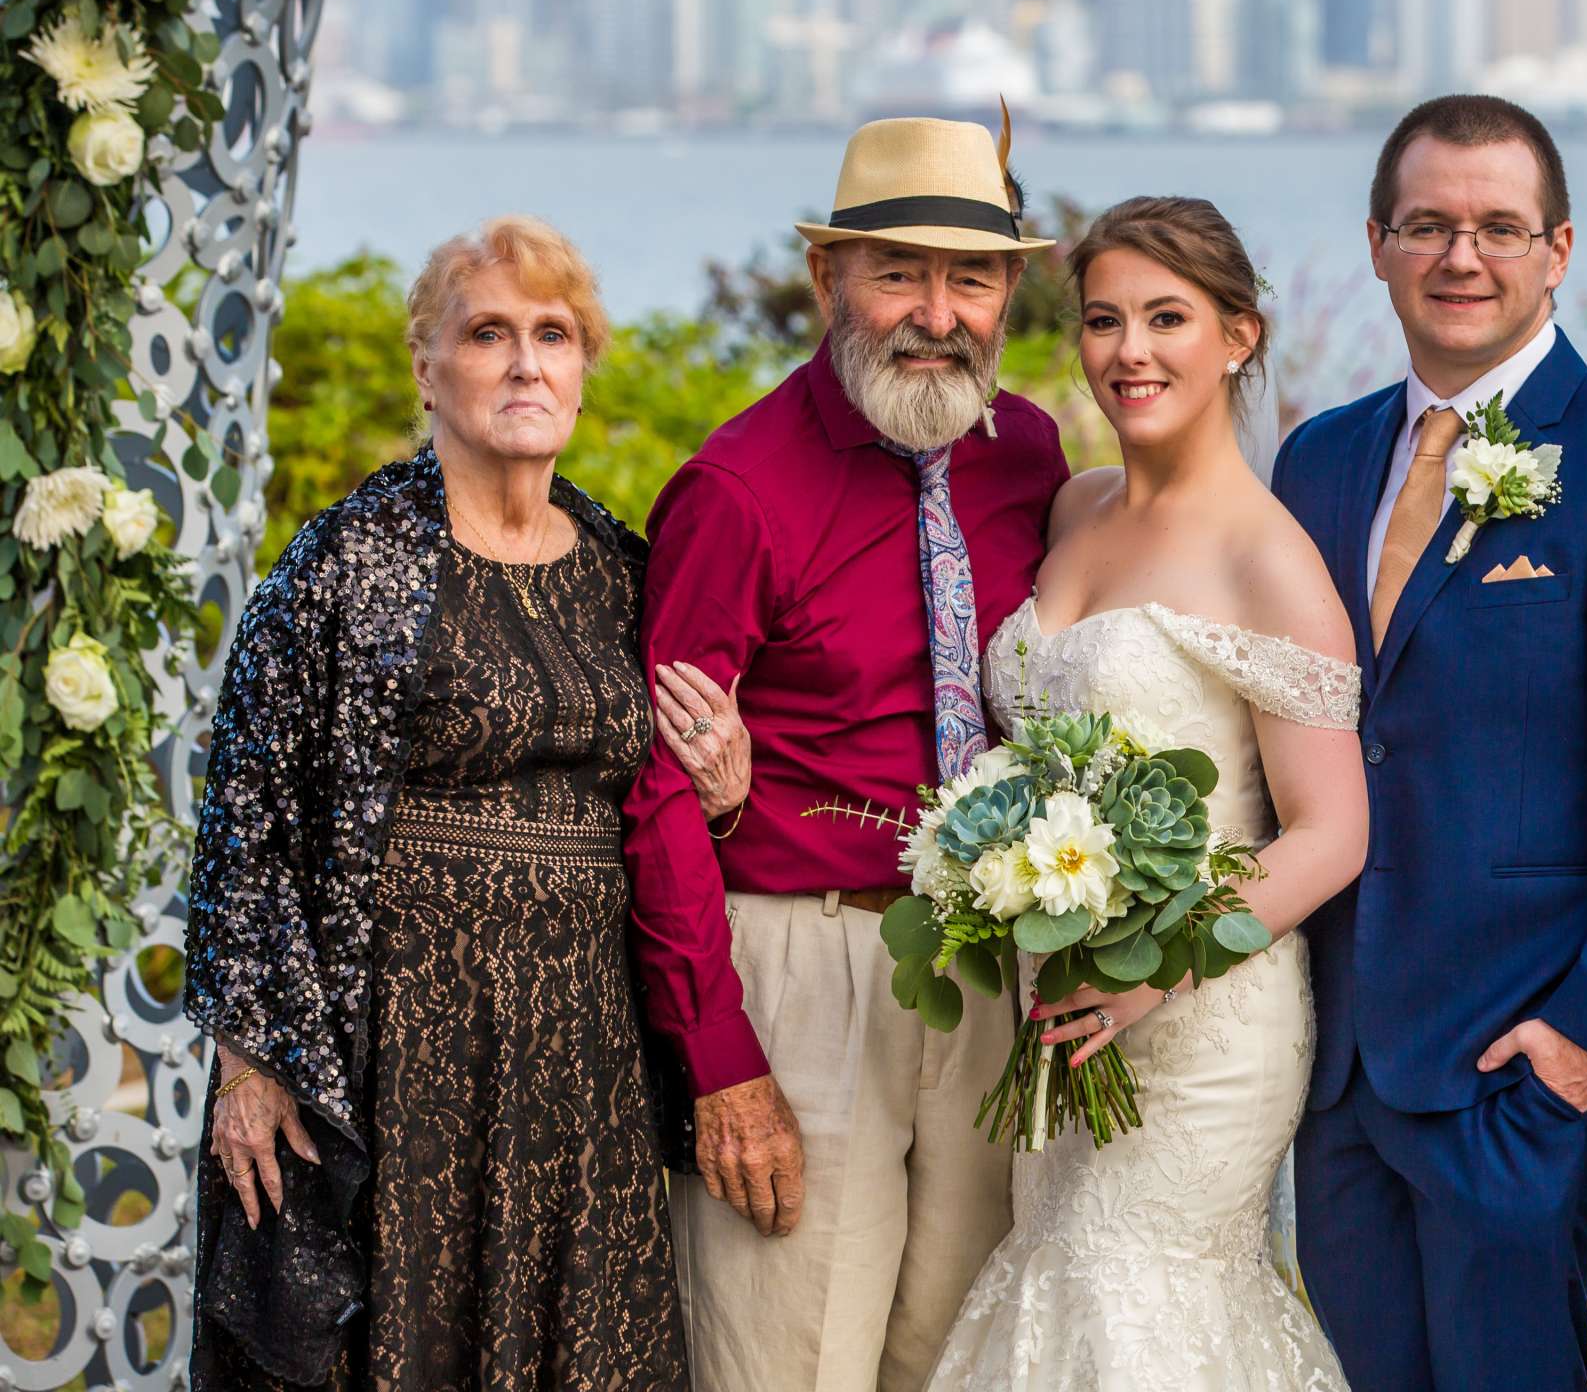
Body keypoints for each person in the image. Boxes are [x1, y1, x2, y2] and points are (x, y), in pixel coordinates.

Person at [186, 215, 750, 1389]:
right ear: (427, 367)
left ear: (586, 367)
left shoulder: (621, 566)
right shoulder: (346, 562)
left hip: (583, 1059)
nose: (526, 362)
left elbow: (661, 808)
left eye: (553, 334)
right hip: (405, 1060)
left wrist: (728, 792)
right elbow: (247, 812)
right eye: (488, 333)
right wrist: (248, 1063)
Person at [1272, 96, 1587, 1390]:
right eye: (1427, 224)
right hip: (1338, 1062)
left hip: (1517, 1068)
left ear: (1559, 249)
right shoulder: (1315, 463)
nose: (1460, 257)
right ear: (1377, 240)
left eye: (1497, 227)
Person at [622, 116, 1071, 1392]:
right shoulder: (738, 489)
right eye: (898, 272)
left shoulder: (1028, 456)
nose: (938, 313)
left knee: (958, 1352)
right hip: (804, 972)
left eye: (971, 278)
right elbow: (660, 792)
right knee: (789, 1357)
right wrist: (724, 1067)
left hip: (985, 972)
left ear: (1008, 293)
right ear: (830, 282)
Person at [930, 196, 1370, 1388]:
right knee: (1058, 1287)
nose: (1131, 352)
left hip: (1204, 1023)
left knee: (1138, 1301)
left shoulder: (1266, 556)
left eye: (1167, 318)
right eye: (1104, 319)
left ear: (1238, 335)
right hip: (1060, 1006)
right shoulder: (1074, 507)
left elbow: (1332, 833)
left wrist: (1152, 974)